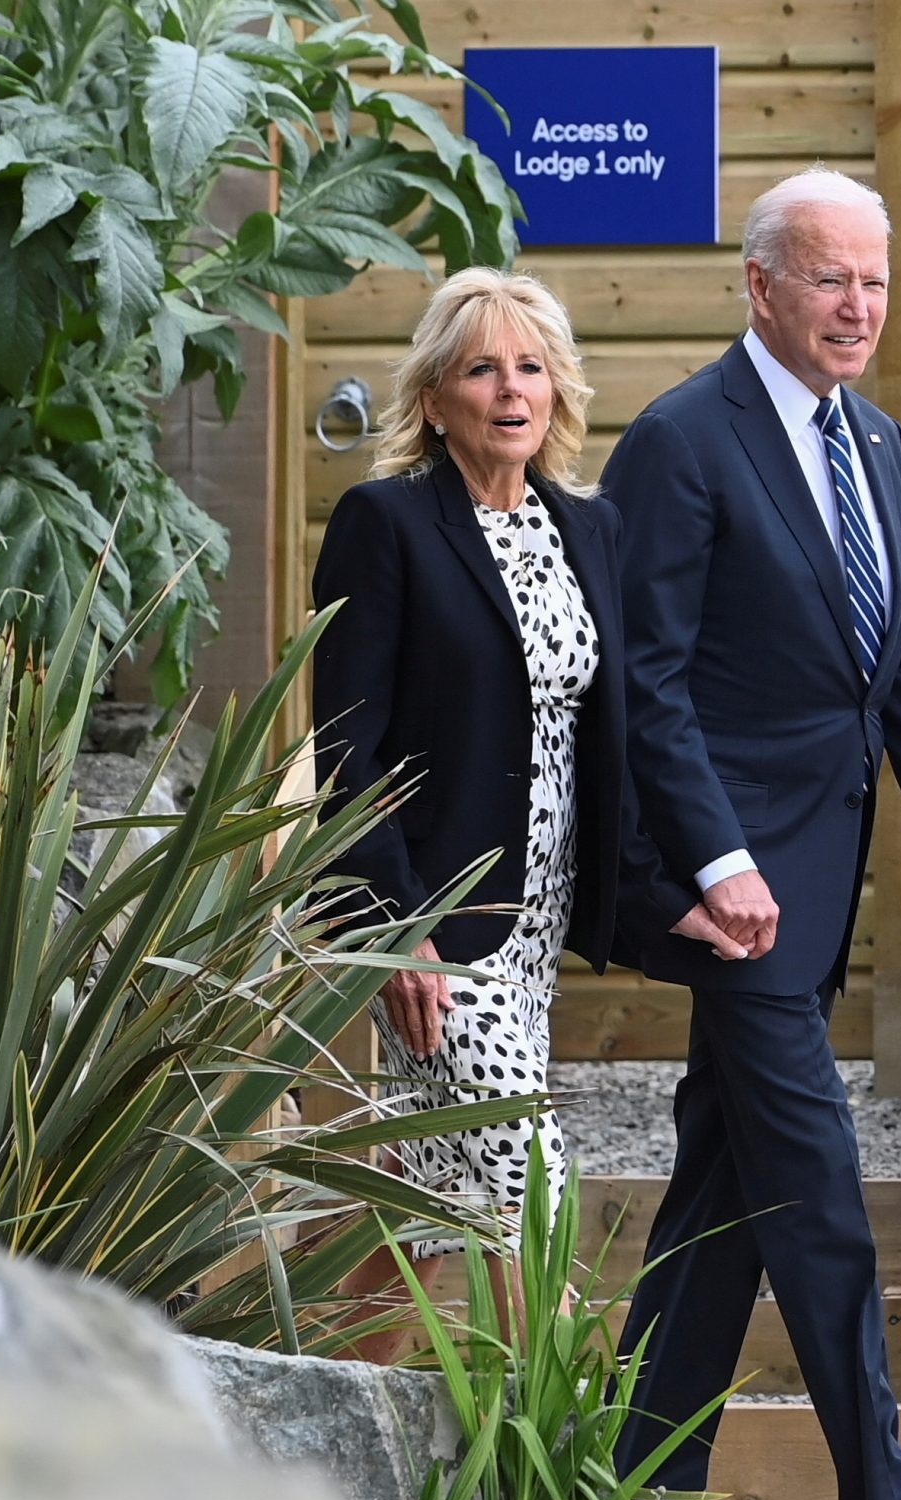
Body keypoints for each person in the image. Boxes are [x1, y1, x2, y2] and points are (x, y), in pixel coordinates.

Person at [603, 167, 901, 1500]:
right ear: (761, 287)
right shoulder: (680, 442)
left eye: (876, 281)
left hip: (821, 878)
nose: (858, 306)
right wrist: (715, 855)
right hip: (732, 890)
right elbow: (644, 679)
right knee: (818, 1182)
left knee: (721, 1197)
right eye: (831, 278)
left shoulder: (881, 445)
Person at [308, 269, 730, 1340]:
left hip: (535, 926)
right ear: (435, 398)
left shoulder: (589, 532)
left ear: (558, 391)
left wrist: (662, 889)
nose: (511, 388)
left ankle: (301, 1443)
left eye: (530, 367)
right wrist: (395, 937)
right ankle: (553, 1463)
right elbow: (344, 747)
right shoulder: (385, 522)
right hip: (437, 925)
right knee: (526, 1186)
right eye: (481, 368)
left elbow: (612, 741)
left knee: (429, 1200)